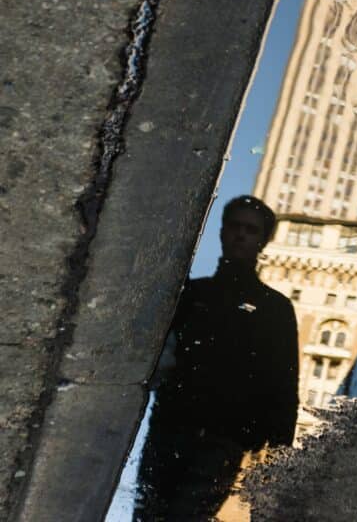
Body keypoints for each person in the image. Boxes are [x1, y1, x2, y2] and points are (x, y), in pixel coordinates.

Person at [134, 196, 299, 521]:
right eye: (235, 227)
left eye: (250, 230)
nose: (240, 235)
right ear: (222, 232)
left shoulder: (275, 309)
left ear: (263, 241)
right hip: (169, 430)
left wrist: (277, 464)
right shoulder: (191, 294)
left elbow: (283, 386)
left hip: (223, 441)